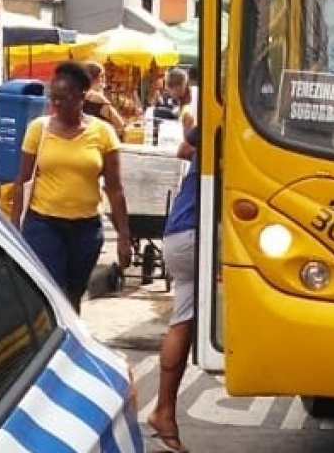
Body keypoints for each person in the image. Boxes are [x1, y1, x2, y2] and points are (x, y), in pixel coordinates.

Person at [11, 61, 132, 313]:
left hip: (85, 230)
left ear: (81, 96)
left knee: (74, 295)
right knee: (53, 292)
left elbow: (115, 189)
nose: (56, 104)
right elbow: (22, 180)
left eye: (63, 98)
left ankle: (70, 343)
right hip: (43, 225)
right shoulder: (38, 130)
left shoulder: (103, 133)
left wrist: (124, 236)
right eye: (53, 98)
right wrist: (14, 228)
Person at [147, 123, 199, 453]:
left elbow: (185, 148)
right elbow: (185, 147)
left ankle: (164, 412)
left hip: (179, 234)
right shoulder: (228, 123)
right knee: (183, 323)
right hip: (194, 235)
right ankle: (163, 410)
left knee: (184, 319)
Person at [81, 61, 127, 136]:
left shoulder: (74, 96)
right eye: (103, 76)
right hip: (96, 140)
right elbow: (120, 124)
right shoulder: (98, 99)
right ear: (99, 77)